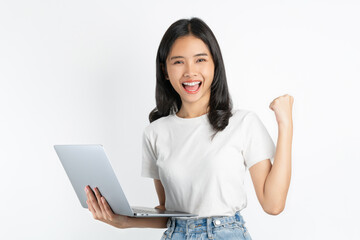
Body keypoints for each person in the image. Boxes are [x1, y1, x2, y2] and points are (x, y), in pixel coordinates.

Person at [84, 17, 294, 240]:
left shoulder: (243, 123)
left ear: (215, 64)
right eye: (178, 62)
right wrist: (124, 221)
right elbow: (170, 213)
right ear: (165, 71)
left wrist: (286, 125)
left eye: (200, 60)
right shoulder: (155, 133)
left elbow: (273, 204)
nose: (190, 72)